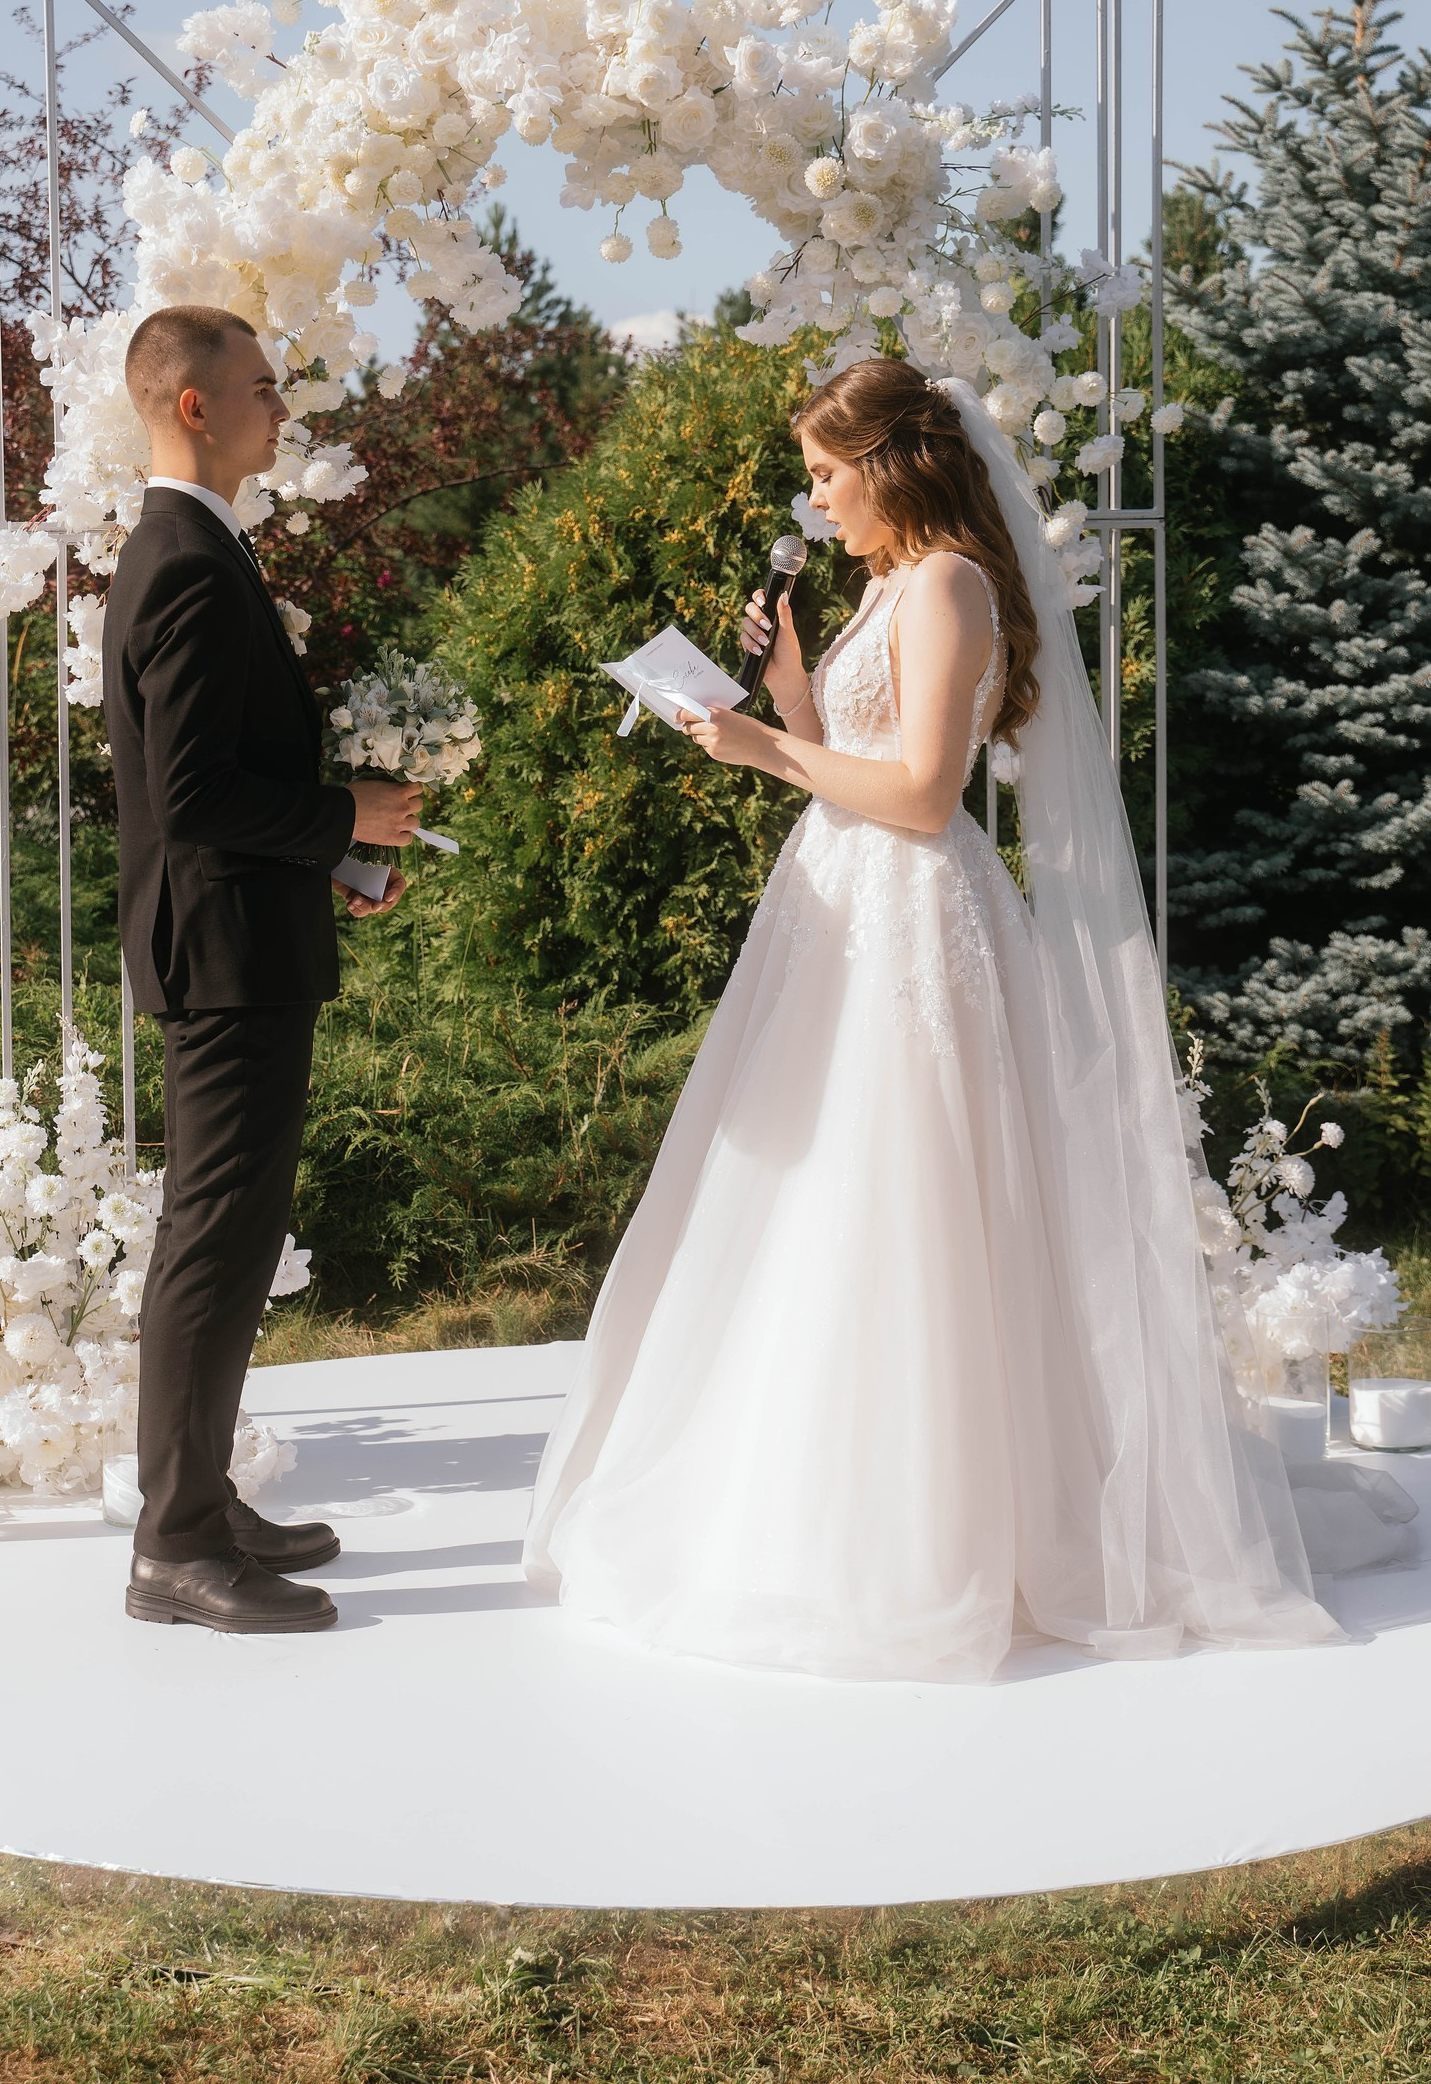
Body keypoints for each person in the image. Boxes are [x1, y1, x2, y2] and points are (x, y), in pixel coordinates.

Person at [524, 356, 1374, 1681]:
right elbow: (851, 754)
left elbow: (924, 795)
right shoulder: (885, 586)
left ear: (891, 464)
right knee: (824, 1189)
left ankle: (941, 1527)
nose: (816, 501)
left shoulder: (952, 586)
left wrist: (766, 750)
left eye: (826, 474)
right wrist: (783, 693)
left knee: (909, 1190)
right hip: (837, 902)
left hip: (915, 913)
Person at [103, 304, 422, 1635]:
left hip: (247, 937)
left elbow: (223, 780)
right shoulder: (184, 560)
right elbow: (190, 796)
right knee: (213, 1242)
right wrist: (345, 812)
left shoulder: (198, 547)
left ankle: (203, 1501)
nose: (281, 409)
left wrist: (335, 859)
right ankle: (175, 1547)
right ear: (195, 405)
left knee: (230, 1240)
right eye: (264, 388)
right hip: (224, 958)